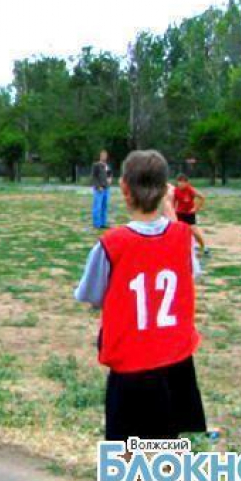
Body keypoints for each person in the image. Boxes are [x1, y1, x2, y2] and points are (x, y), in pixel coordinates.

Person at [74, 150, 206, 461]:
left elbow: (91, 295)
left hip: (131, 368)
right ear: (165, 191)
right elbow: (191, 273)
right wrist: (171, 212)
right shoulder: (182, 237)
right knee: (172, 456)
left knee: (126, 462)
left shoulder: (111, 243)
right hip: (174, 362)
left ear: (124, 189)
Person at [173, 174, 210, 257]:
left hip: (189, 214)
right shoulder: (176, 190)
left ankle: (204, 247)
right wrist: (173, 210)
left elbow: (202, 197)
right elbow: (173, 202)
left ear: (187, 183)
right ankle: (181, 249)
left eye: (183, 182)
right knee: (177, 232)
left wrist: (196, 208)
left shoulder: (190, 190)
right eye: (179, 182)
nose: (180, 184)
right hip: (179, 213)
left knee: (194, 231)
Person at [91, 150, 112, 229]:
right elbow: (94, 177)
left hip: (106, 189)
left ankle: (103, 223)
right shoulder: (96, 165)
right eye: (103, 155)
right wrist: (97, 186)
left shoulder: (107, 165)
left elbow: (109, 174)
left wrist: (110, 178)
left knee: (104, 206)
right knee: (97, 207)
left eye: (105, 155)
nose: (104, 157)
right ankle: (96, 224)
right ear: (100, 156)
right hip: (99, 189)